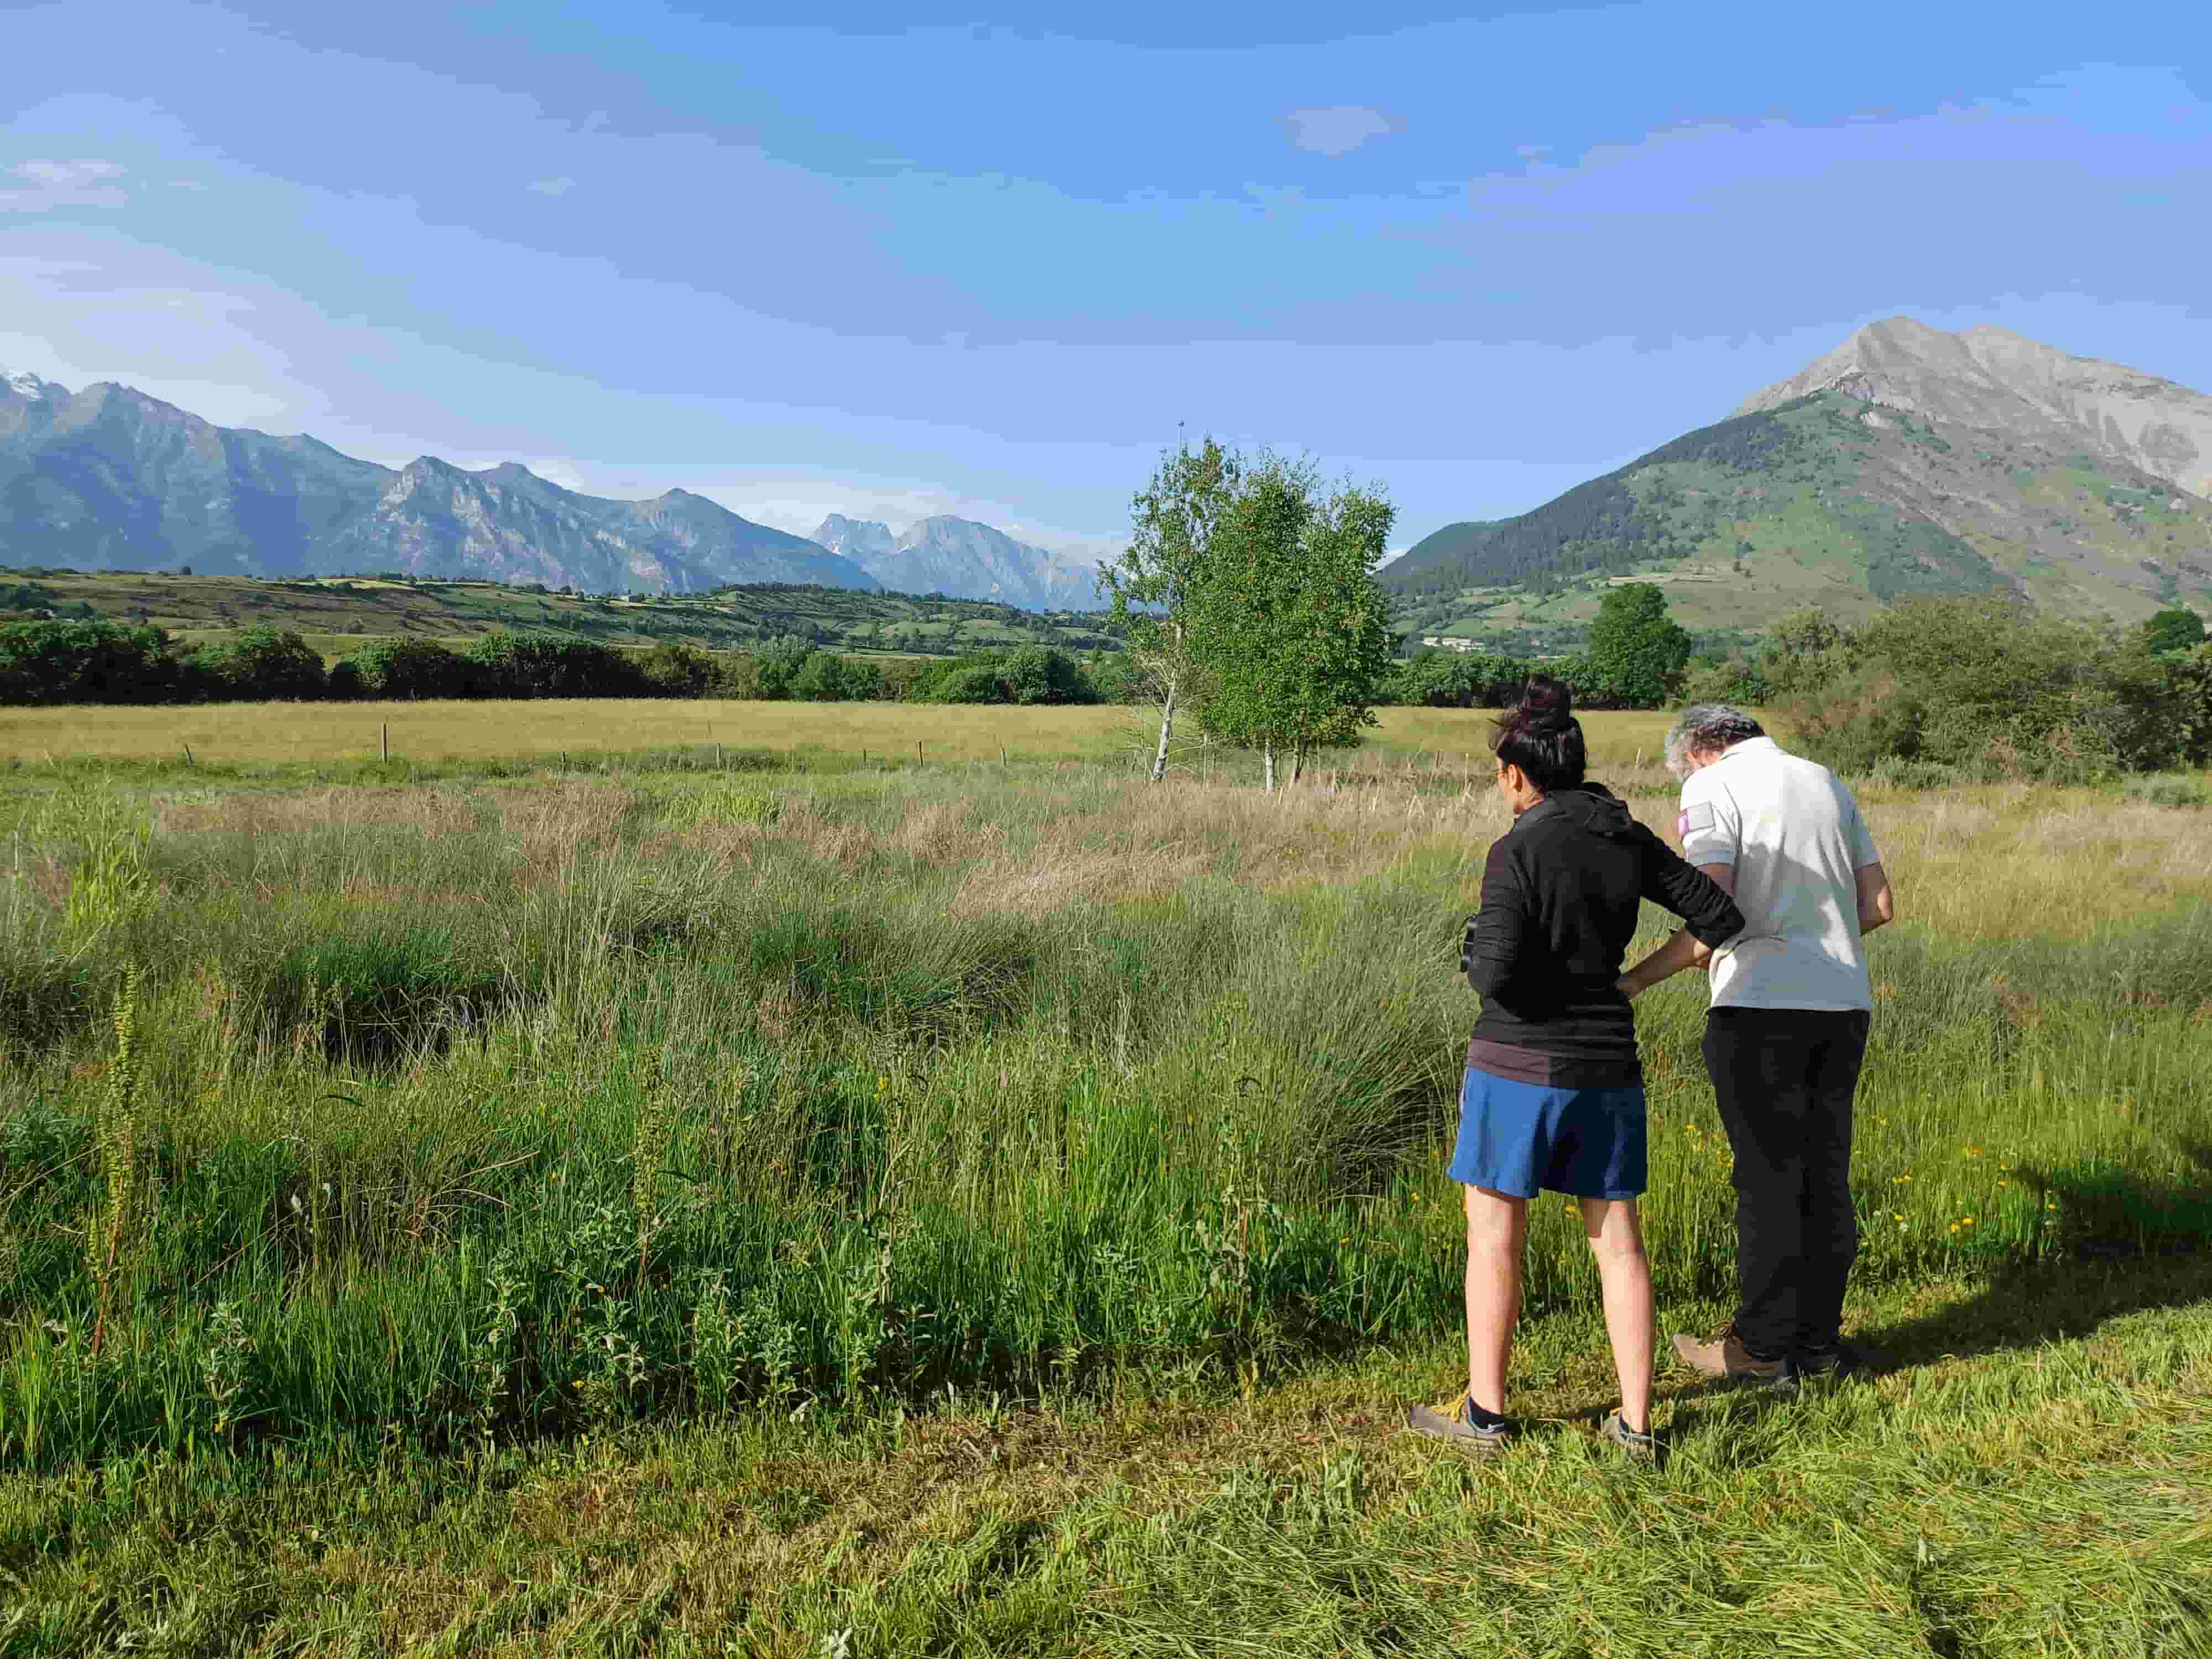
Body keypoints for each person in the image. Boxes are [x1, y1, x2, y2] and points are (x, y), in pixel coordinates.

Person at [1408, 677, 1743, 1460]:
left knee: (1493, 1238)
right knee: (1619, 1244)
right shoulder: (1625, 834)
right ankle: (1637, 1426)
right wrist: (1631, 980)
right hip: (1607, 1061)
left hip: (1515, 1062)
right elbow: (1720, 916)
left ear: (1518, 774)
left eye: (1500, 774)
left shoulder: (1517, 847)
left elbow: (1492, 975)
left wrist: (1478, 953)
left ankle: (1485, 1418)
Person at [1619, 705, 1896, 1384]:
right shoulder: (1823, 779)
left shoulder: (1711, 787)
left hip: (1761, 1006)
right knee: (1823, 1176)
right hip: (1841, 1003)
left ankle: (1762, 1351)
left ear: (1699, 750)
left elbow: (1711, 916)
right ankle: (1820, 1346)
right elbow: (1878, 905)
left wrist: (1630, 983)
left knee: (1767, 1183)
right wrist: (1812, 935)